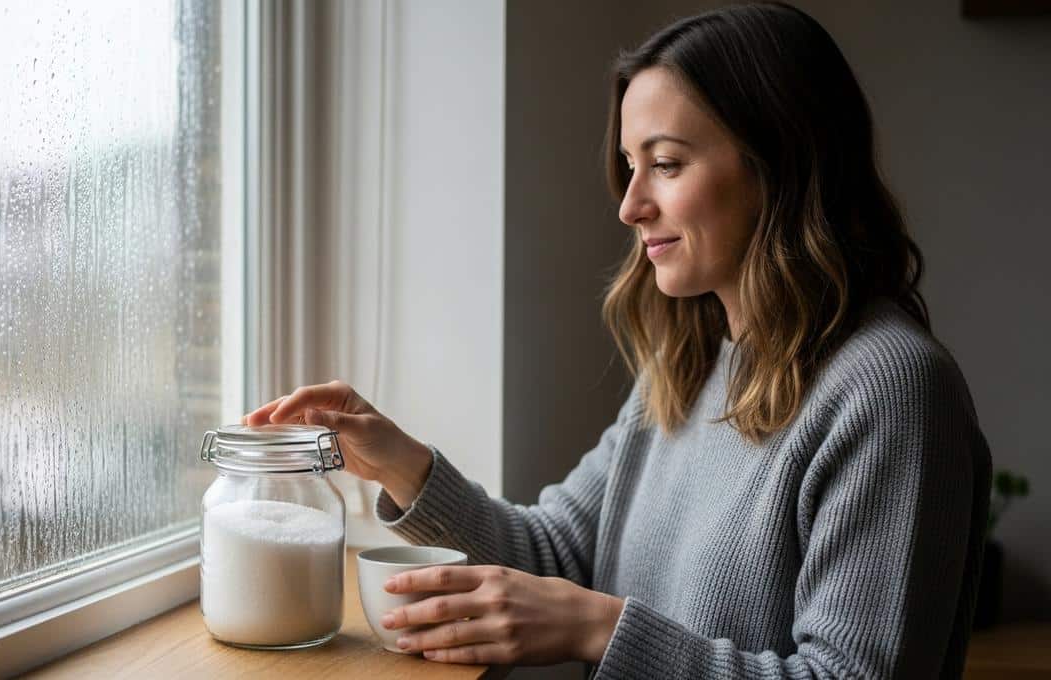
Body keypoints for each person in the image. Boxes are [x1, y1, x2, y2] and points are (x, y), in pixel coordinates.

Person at [243, 3, 991, 678]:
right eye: (632, 166)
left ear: (782, 165)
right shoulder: (692, 366)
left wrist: (599, 630)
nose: (631, 205)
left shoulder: (891, 390)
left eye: (665, 164)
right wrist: (400, 464)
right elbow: (556, 553)